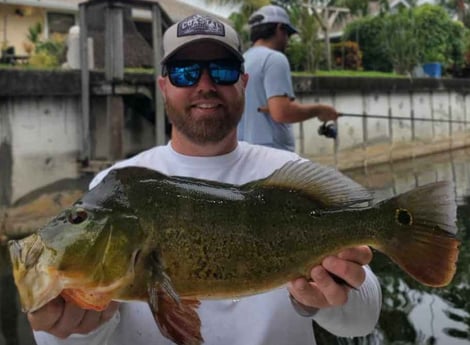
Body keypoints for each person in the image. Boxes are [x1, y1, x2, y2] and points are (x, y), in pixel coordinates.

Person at [28, 14, 381, 345]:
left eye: (223, 71)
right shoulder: (113, 187)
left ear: (244, 82)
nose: (205, 85)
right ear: (163, 86)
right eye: (185, 72)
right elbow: (51, 337)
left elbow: (365, 316)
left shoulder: (289, 173)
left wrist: (319, 300)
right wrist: (81, 328)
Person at [237, 5, 339, 152]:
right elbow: (282, 112)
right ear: (280, 28)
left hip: (244, 153)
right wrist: (319, 110)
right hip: (272, 156)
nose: (288, 41)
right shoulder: (275, 59)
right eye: (288, 34)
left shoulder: (242, 60)